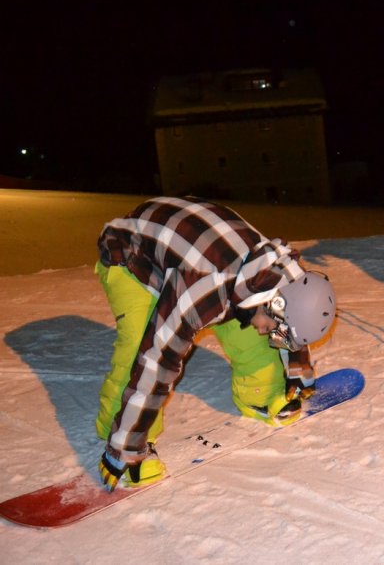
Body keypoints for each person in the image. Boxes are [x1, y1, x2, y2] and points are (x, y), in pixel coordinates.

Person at [94, 196, 337, 491]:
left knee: (251, 333)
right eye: (276, 329)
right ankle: (119, 436)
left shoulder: (282, 277)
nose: (271, 334)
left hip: (193, 247)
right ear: (272, 303)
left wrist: (298, 373)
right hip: (132, 259)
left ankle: (259, 393)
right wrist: (125, 448)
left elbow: (292, 321)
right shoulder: (200, 288)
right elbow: (158, 360)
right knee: (140, 347)